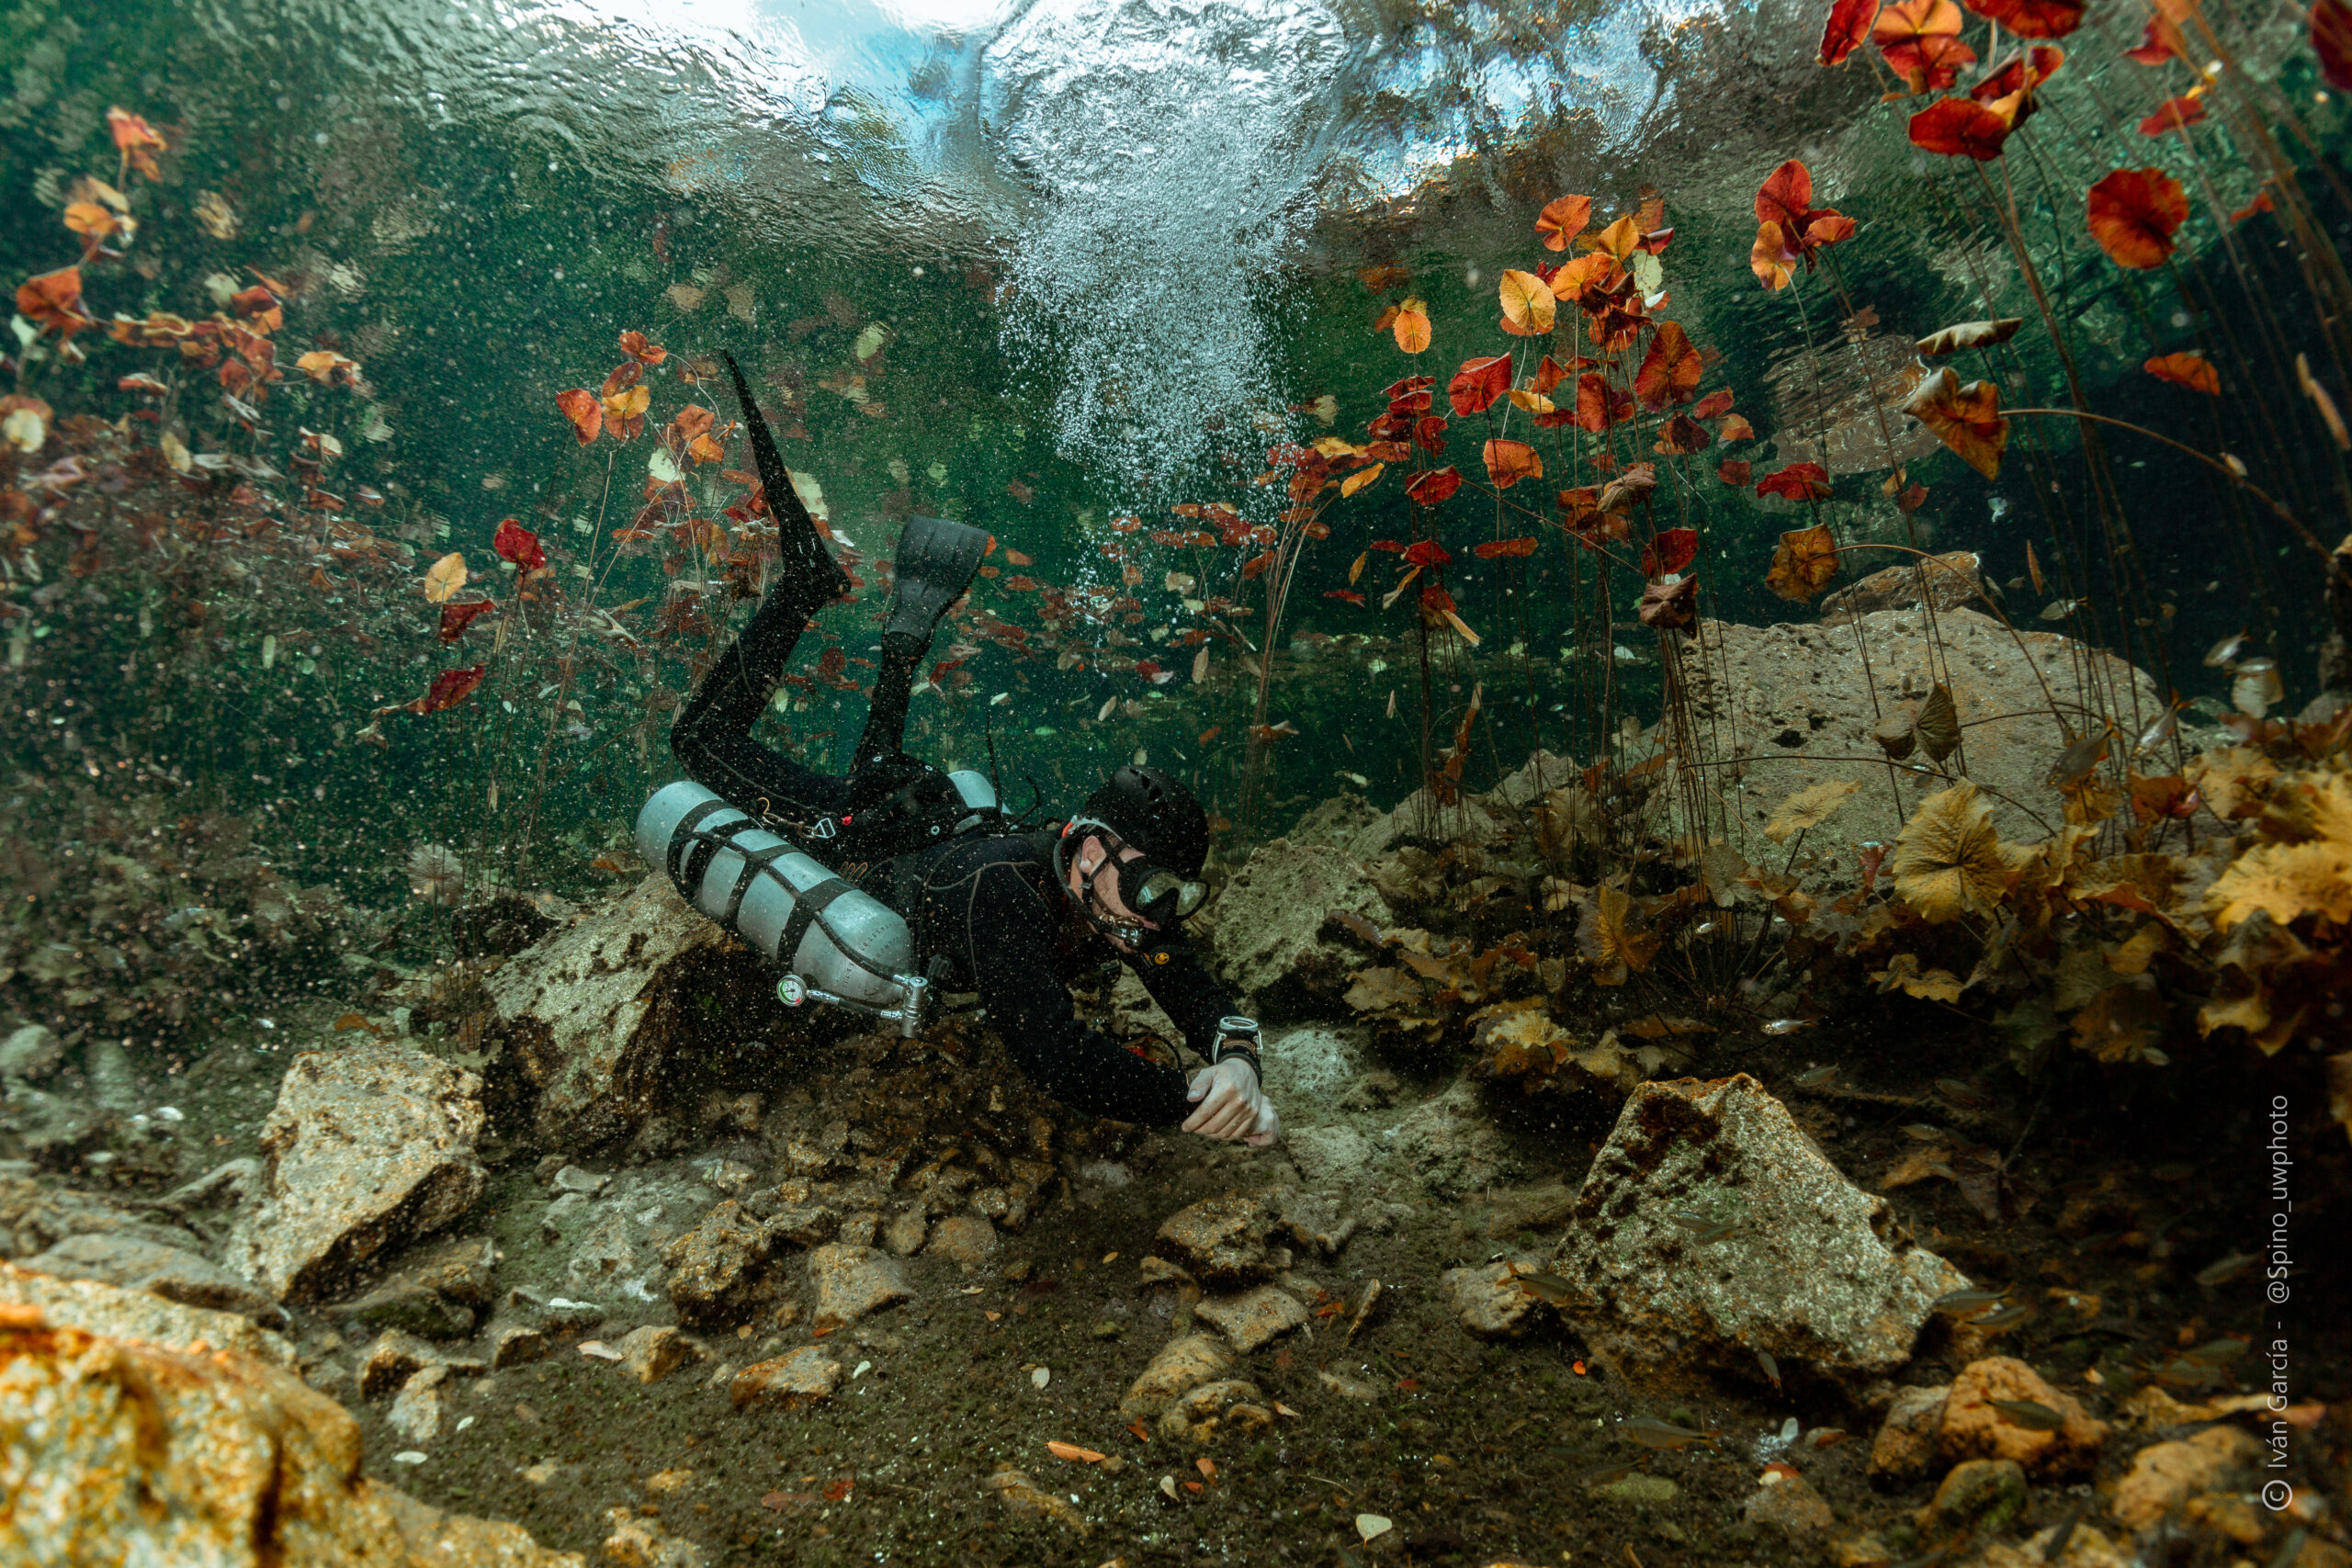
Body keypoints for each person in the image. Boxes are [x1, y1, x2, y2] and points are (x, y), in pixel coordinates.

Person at [669, 355, 1278, 1147]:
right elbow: (1052, 1055)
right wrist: (1186, 1104)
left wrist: (1237, 1064)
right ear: (1089, 850)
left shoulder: (1118, 898)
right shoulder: (1006, 894)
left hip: (930, 818)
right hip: (876, 848)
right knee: (701, 743)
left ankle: (896, 639)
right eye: (1154, 886)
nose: (1160, 913)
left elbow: (1200, 995)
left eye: (1175, 896)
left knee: (871, 783)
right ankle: (803, 590)